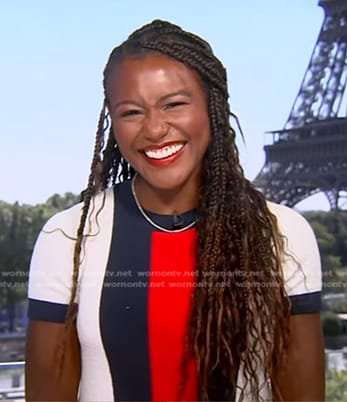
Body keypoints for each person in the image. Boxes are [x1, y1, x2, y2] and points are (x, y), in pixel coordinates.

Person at [25, 19, 324, 401]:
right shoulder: (67, 237)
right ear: (112, 124)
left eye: (174, 104)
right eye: (131, 112)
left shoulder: (283, 233)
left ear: (212, 107)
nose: (154, 129)